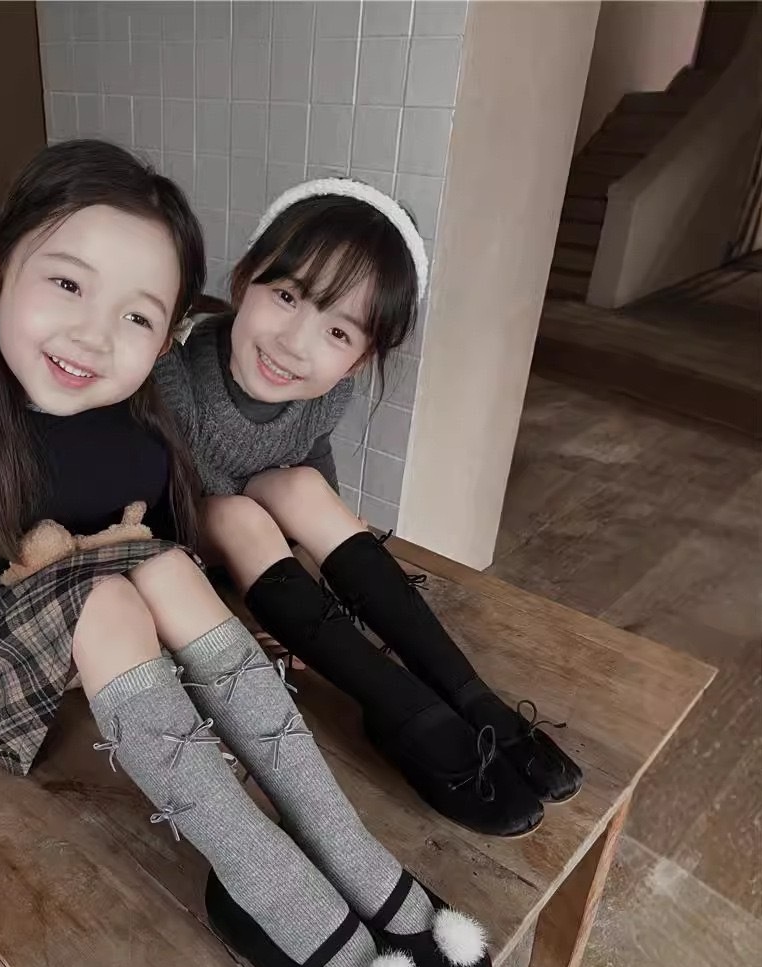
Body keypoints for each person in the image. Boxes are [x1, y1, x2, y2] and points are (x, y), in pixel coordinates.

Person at [0, 142, 489, 967]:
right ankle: (262, 881)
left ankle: (345, 848)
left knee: (171, 566)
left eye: (137, 315)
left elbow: (170, 544)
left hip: (85, 635)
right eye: (67, 284)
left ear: (170, 331)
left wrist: (236, 639)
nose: (94, 336)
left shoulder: (141, 422)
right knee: (108, 595)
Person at [155, 178, 582, 840]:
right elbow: (184, 491)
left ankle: (470, 697)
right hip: (178, 546)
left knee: (302, 485)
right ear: (244, 279)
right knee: (240, 512)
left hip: (261, 559)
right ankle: (397, 707)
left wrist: (314, 599)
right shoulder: (176, 372)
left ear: (358, 360)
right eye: (286, 296)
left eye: (337, 331)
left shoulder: (324, 391)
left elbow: (309, 466)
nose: (294, 343)